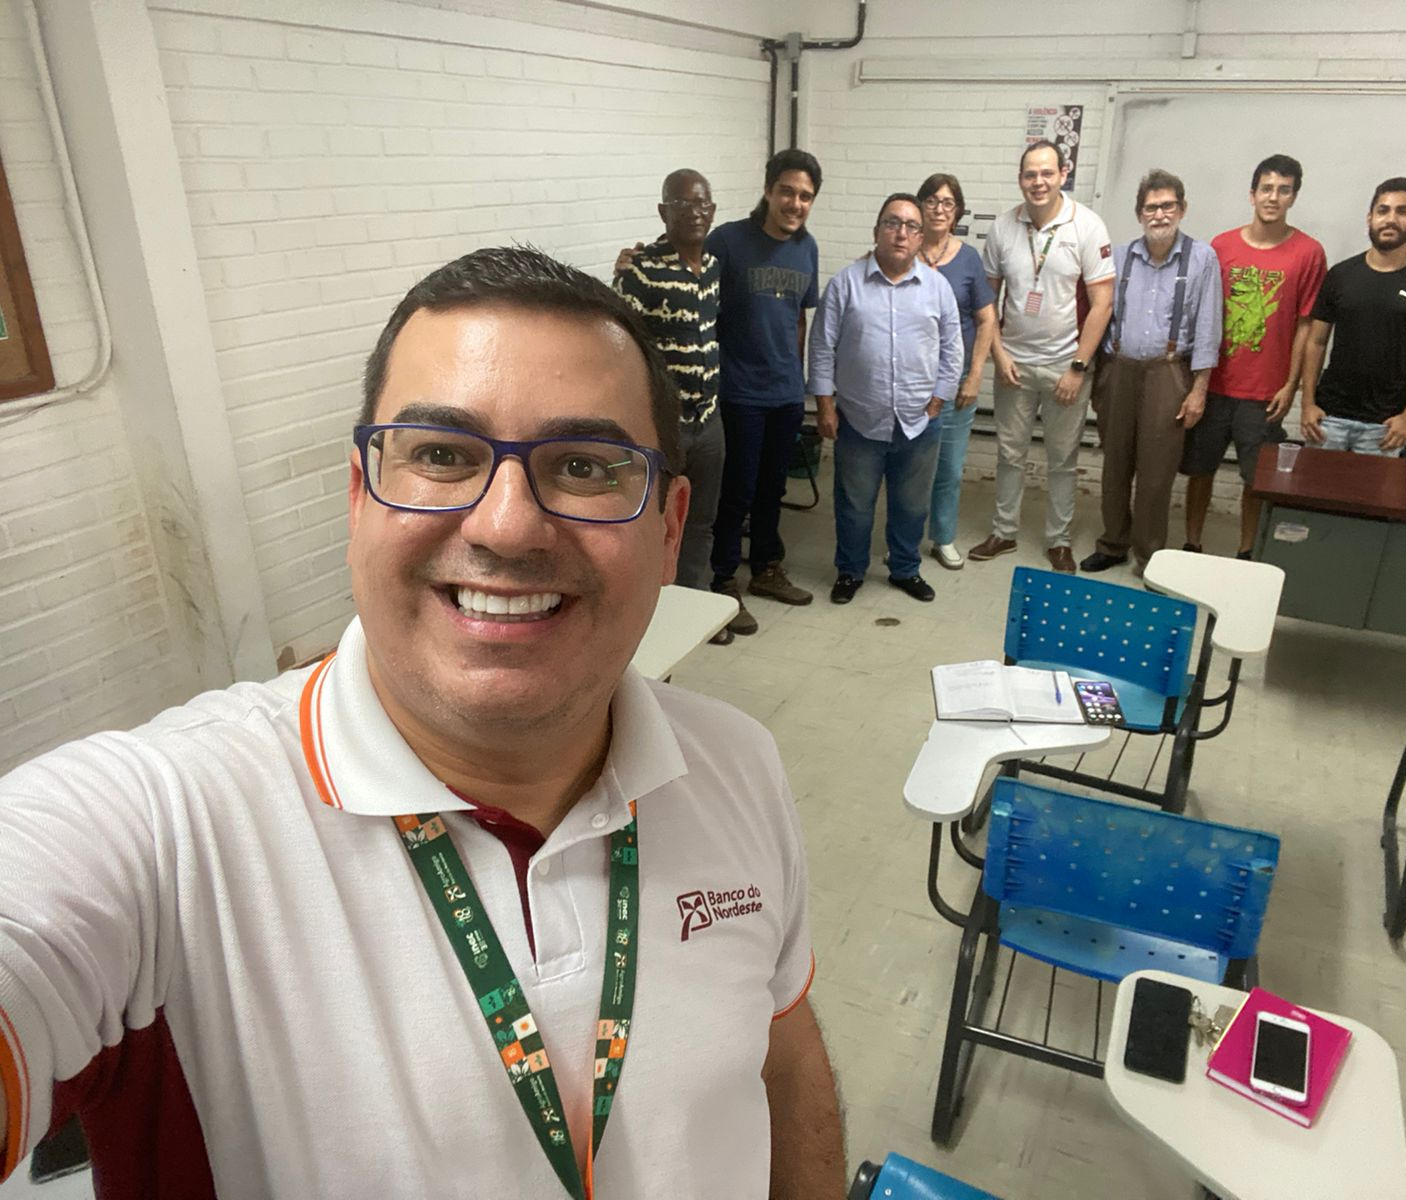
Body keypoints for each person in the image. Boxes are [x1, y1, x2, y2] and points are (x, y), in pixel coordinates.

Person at [0, 247, 844, 1199]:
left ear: (668, 525)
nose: (506, 527)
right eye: (442, 455)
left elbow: (782, 1060)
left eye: (583, 465)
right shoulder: (165, 832)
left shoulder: (738, 764)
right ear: (358, 495)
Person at [969, 141, 1115, 574]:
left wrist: (1078, 368)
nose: (1039, 182)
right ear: (1020, 179)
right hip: (1013, 365)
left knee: (1062, 461)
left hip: (1065, 367)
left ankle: (1058, 540)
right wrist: (998, 355)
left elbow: (1102, 304)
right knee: (1009, 454)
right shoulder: (1003, 228)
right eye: (1030, 174)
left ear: (1063, 174)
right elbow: (987, 302)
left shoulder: (1087, 225)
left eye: (1047, 173)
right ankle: (1003, 532)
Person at [809, 193, 962, 605]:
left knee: (911, 506)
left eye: (911, 226)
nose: (901, 233)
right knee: (854, 506)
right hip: (859, 419)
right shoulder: (845, 284)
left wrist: (939, 398)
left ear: (921, 236)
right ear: (877, 230)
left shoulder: (937, 288)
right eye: (893, 223)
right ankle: (850, 571)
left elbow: (953, 349)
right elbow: (821, 346)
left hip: (919, 421)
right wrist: (824, 405)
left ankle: (905, 570)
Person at [1181, 153, 1326, 559]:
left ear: (1293, 197)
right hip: (1216, 386)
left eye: (1283, 190)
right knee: (1200, 471)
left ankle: (1247, 551)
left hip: (1265, 393)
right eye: (1266, 188)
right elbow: (1204, 315)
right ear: (1252, 194)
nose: (1273, 197)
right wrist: (1197, 381)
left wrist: (1292, 385)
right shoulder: (1221, 246)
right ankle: (1192, 542)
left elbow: (1306, 326)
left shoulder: (1308, 253)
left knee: (1256, 480)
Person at [1081, 168, 1221, 577]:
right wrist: (1096, 377)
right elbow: (1101, 315)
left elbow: (1209, 326)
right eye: (1150, 207)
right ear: (1139, 213)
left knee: (1157, 472)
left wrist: (1199, 389)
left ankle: (1150, 555)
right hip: (1119, 369)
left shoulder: (1202, 258)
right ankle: (1113, 543)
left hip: (1168, 373)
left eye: (1167, 206)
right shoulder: (1119, 256)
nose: (1159, 215)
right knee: (1115, 464)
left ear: (1182, 209)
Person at [614, 168, 734, 642]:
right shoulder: (641, 271)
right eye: (684, 204)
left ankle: (695, 611)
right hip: (666, 427)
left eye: (703, 203)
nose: (696, 212)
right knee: (656, 525)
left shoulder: (715, 267)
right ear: (664, 211)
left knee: (700, 523)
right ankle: (655, 619)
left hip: (709, 421)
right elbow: (621, 346)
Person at [706, 150, 824, 620]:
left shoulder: (807, 248)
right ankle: (722, 581)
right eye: (788, 192)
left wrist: (797, 379)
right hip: (739, 392)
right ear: (769, 191)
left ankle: (766, 568)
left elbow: (798, 319)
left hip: (785, 393)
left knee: (772, 489)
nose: (796, 203)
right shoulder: (728, 241)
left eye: (806, 196)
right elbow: (692, 281)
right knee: (736, 491)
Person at [1300, 178, 1406, 457]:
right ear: (1370, 217)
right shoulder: (1341, 274)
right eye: (1383, 210)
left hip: (1385, 425)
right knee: (1314, 487)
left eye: (1402, 211)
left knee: (1373, 488)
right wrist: (1307, 403)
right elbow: (1316, 341)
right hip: (1328, 418)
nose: (1391, 219)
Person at [916, 173, 998, 571]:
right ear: (920, 206)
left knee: (948, 467)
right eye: (932, 200)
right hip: (910, 382)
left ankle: (943, 537)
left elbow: (987, 319)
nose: (939, 209)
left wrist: (975, 375)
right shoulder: (903, 250)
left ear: (958, 211)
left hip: (954, 381)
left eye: (947, 202)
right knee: (911, 469)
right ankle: (904, 539)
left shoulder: (968, 260)